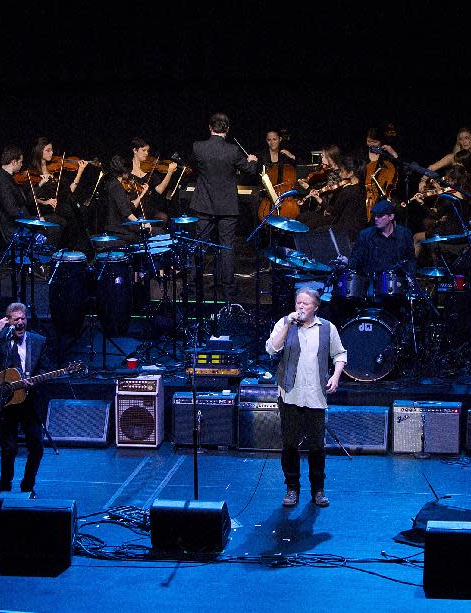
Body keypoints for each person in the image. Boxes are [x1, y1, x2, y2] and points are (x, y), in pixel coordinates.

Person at [266, 288, 347, 508]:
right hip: (290, 393)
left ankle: (318, 490)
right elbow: (272, 349)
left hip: (315, 396)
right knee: (290, 444)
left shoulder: (327, 328)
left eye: (306, 304)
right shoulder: (285, 323)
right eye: (298, 303)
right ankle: (292, 488)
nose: (301, 307)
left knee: (316, 446)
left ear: (315, 308)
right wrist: (287, 326)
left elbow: (340, 354)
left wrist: (336, 376)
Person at [0, 302, 51, 494]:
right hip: (7, 403)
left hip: (30, 403)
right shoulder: (1, 342)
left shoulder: (38, 341)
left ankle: (27, 487)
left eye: (23, 319)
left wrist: (35, 381)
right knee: (9, 449)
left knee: (37, 447)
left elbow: (45, 368)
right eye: (16, 319)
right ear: (8, 321)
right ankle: (5, 488)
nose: (20, 322)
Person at [189, 112, 259, 301]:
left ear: (210, 127)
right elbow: (251, 170)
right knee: (227, 247)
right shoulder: (234, 151)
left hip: (204, 204)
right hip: (227, 207)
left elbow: (195, 168)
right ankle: (228, 290)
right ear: (227, 129)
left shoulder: (198, 147)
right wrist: (252, 160)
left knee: (200, 245)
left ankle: (193, 286)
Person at [129, 136, 179, 224]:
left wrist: (169, 172)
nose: (147, 154)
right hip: (132, 208)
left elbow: (159, 190)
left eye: (147, 151)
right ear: (135, 150)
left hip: (148, 208)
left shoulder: (149, 172)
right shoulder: (127, 170)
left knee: (163, 217)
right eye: (143, 150)